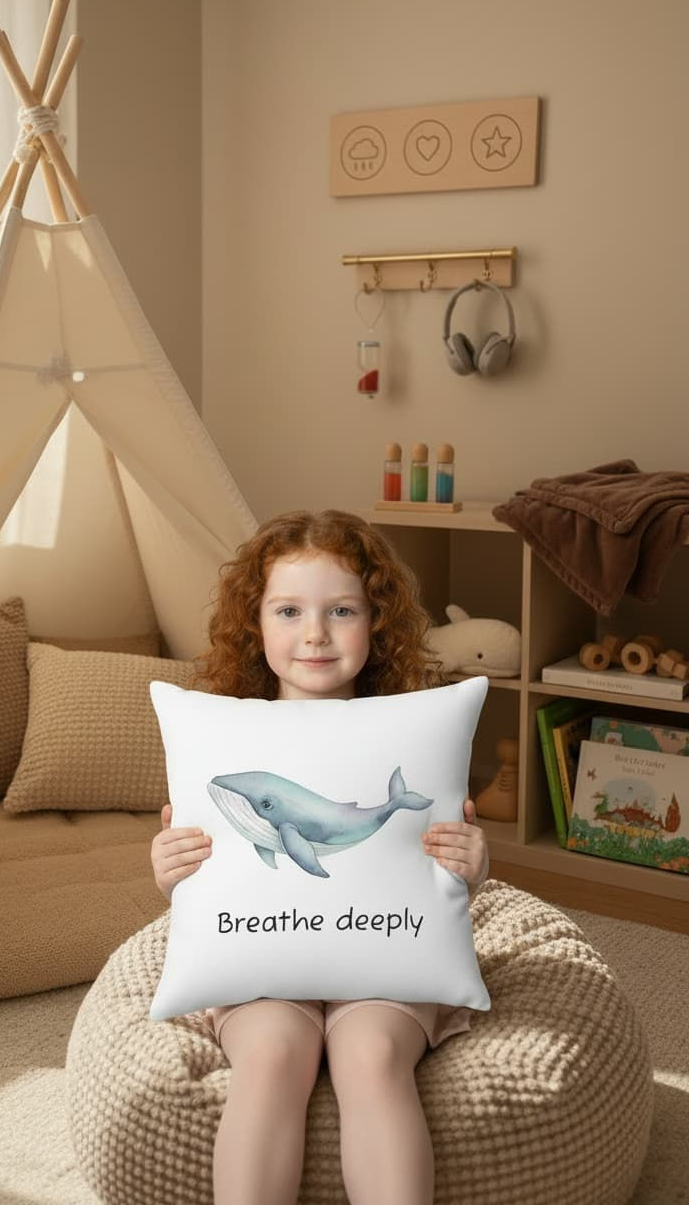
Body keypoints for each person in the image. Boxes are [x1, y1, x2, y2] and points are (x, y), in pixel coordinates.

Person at [151, 509, 488, 1205]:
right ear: (255, 622)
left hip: (387, 956)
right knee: (272, 1056)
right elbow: (216, 871)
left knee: (370, 1057)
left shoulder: (412, 724)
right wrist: (173, 869)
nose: (315, 633)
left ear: (377, 620)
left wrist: (469, 862)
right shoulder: (222, 731)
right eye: (288, 610)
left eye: (341, 610)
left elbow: (437, 871)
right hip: (264, 962)